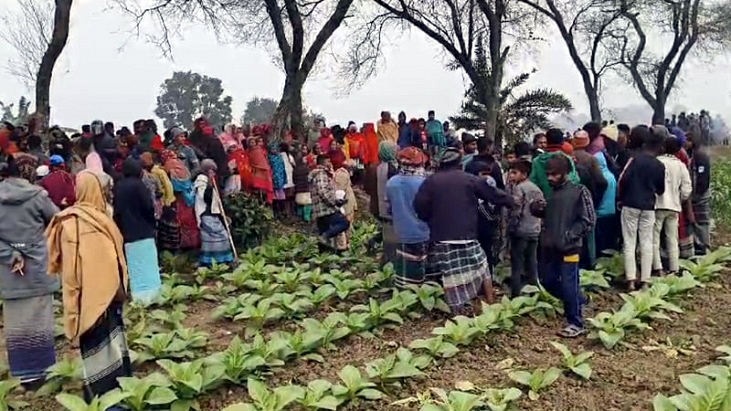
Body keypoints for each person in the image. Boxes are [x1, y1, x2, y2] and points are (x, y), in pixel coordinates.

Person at [46, 171, 132, 406]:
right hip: (100, 299)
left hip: (101, 300)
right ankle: (111, 400)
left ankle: (111, 399)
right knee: (104, 350)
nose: (107, 194)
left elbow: (75, 275)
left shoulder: (89, 218)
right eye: (105, 189)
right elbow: (73, 275)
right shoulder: (82, 221)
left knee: (106, 350)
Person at [414, 148, 513, 312]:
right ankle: (490, 302)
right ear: (459, 163)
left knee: (451, 275)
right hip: (467, 234)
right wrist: (511, 200)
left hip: (442, 236)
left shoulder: (431, 182)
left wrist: (430, 220)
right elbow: (494, 195)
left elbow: (420, 206)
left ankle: (457, 309)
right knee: (481, 267)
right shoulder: (469, 179)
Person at [0, 157, 59, 388]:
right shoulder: (37, 195)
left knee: (17, 324)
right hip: (38, 269)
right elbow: (56, 220)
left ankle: (25, 375)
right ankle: (43, 374)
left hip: (9, 273)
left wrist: (10, 254)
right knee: (40, 322)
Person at [530, 155, 595, 337]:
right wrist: (537, 208)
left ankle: (575, 322)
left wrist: (569, 236)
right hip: (550, 248)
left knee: (568, 285)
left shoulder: (579, 192)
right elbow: (549, 215)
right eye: (548, 174)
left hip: (570, 248)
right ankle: (580, 300)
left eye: (554, 175)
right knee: (547, 281)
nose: (550, 178)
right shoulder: (552, 195)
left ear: (565, 173)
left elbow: (588, 220)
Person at [618, 126, 665, 291]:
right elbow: (661, 190)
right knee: (646, 242)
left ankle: (630, 280)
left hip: (630, 204)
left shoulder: (634, 159)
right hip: (648, 207)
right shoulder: (660, 165)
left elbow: (622, 180)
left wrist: (621, 197)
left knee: (629, 243)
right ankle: (645, 280)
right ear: (659, 148)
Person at [114, 158, 162, 304]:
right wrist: (152, 222)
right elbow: (148, 206)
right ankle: (153, 296)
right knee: (148, 264)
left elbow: (117, 211)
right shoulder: (139, 185)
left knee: (135, 265)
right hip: (144, 230)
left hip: (128, 232)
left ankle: (139, 297)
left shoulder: (118, 186)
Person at [386, 147, 430, 288]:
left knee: (404, 268)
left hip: (401, 232)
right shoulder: (425, 183)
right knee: (422, 269)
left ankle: (404, 295)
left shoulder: (392, 183)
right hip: (424, 231)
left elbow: (390, 209)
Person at [653, 135, 692, 276]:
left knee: (654, 238)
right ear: (678, 149)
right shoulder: (680, 165)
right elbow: (687, 188)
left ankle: (658, 268)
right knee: (672, 238)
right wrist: (679, 198)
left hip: (657, 205)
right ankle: (674, 268)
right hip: (674, 206)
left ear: (663, 147)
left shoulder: (657, 162)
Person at [506, 160, 543, 297]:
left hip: (520, 231)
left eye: (514, 173)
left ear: (524, 174)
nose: (511, 176)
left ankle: (515, 294)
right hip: (534, 230)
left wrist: (511, 228)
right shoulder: (536, 188)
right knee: (532, 263)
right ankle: (535, 293)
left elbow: (516, 211)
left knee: (517, 264)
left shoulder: (519, 189)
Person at [195, 159, 235, 266]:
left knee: (217, 237)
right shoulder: (202, 180)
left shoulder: (209, 180)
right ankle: (213, 260)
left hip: (212, 213)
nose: (213, 173)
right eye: (211, 170)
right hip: (206, 214)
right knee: (220, 235)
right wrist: (210, 186)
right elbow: (204, 197)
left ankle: (218, 259)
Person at [309, 155, 350, 250]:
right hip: (325, 208)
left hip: (319, 210)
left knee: (324, 236)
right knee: (344, 223)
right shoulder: (321, 174)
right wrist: (334, 202)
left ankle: (325, 257)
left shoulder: (319, 174)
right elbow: (323, 191)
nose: (329, 163)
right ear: (323, 163)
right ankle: (324, 237)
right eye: (328, 161)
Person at [530, 128, 579, 199]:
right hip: (565, 199)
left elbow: (533, 182)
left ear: (547, 141)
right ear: (562, 142)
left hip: (546, 200)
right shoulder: (567, 159)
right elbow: (575, 180)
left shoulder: (536, 161)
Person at [686, 130, 712, 255]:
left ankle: (704, 246)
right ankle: (698, 246)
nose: (686, 143)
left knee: (702, 221)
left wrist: (696, 195)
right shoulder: (693, 154)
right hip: (695, 195)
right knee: (695, 221)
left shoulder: (700, 156)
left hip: (700, 196)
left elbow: (703, 179)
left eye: (688, 140)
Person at [377, 141, 400, 264]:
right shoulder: (391, 168)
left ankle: (386, 261)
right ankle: (390, 264)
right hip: (390, 208)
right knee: (392, 241)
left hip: (382, 207)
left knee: (387, 238)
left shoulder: (380, 166)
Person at [333, 161, 356, 251]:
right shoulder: (342, 175)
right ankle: (343, 246)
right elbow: (340, 192)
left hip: (348, 204)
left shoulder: (344, 174)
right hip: (346, 206)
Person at [293, 149, 313, 222]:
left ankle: (299, 217)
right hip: (306, 189)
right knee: (307, 204)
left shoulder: (295, 170)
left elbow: (294, 179)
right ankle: (306, 218)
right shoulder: (306, 169)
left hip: (298, 189)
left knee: (300, 204)